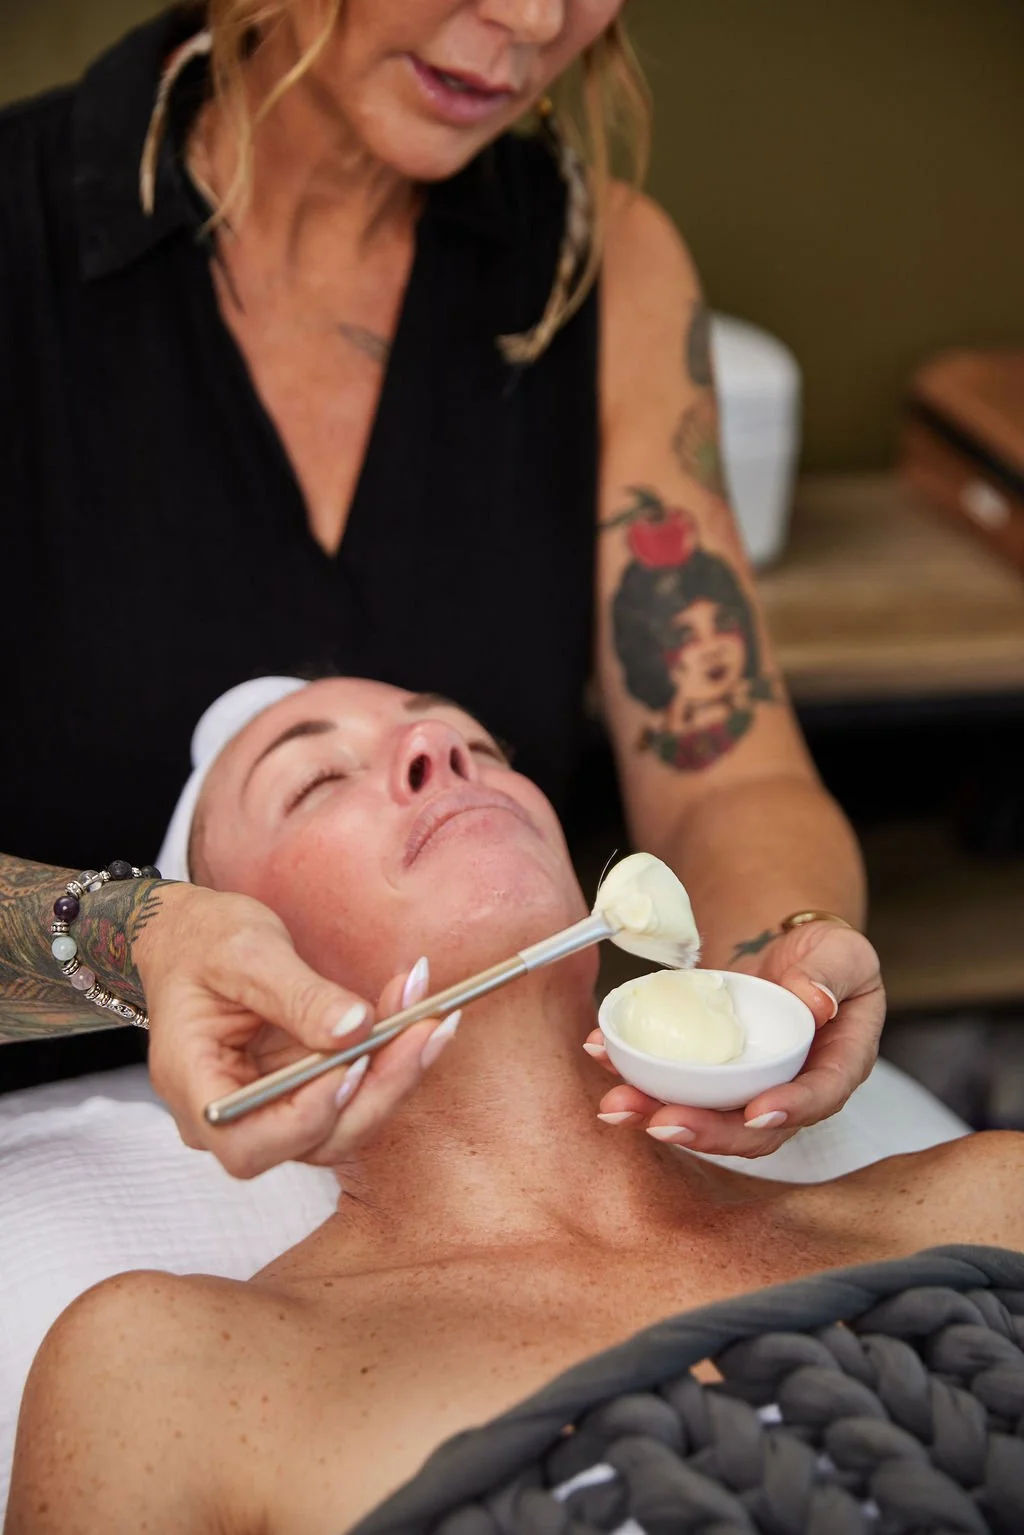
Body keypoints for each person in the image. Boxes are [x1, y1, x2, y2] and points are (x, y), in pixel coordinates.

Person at [1, 1, 875, 1167]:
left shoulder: (597, 267)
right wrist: (123, 942)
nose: (531, 17)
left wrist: (775, 974)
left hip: (510, 1131)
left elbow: (728, 780)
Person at [4, 676, 1017, 1535]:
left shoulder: (986, 1199)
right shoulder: (162, 1377)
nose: (437, 744)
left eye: (478, 742)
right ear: (244, 1019)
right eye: (313, 779)